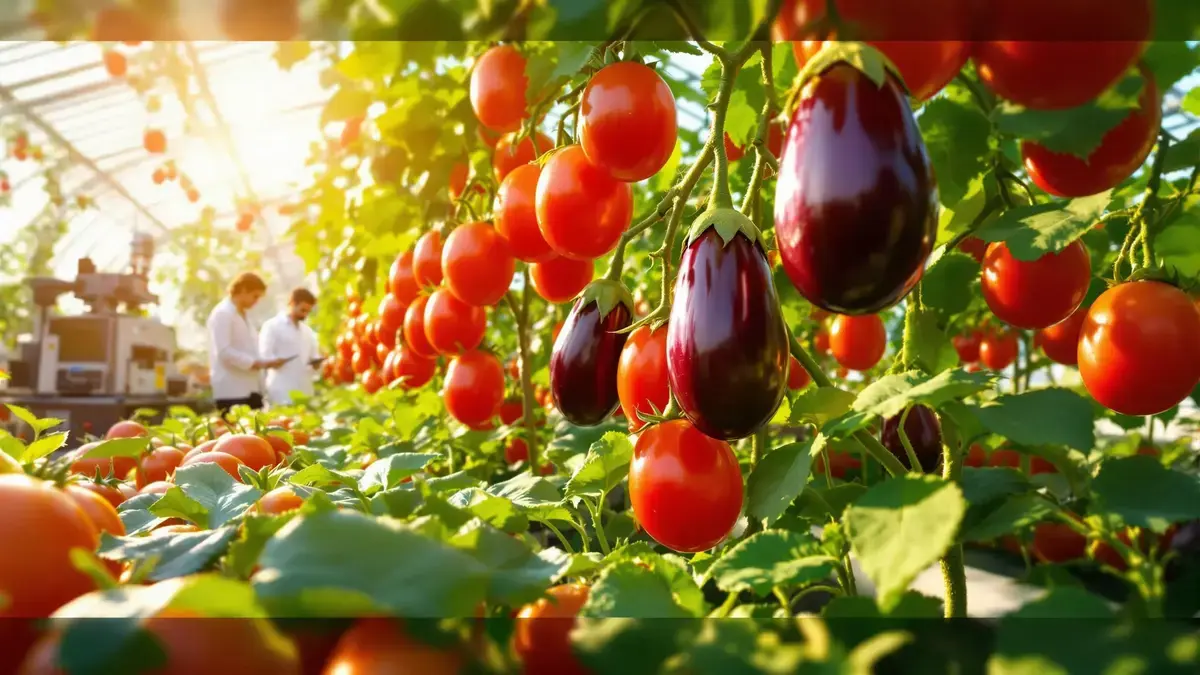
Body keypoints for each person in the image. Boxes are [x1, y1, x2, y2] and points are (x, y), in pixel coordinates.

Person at [205, 272, 288, 415]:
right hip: (231, 391)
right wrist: (255, 363)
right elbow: (224, 352)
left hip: (251, 388)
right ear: (243, 290)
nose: (256, 302)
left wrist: (267, 362)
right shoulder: (223, 313)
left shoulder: (244, 315)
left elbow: (249, 350)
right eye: (255, 296)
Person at [259, 287, 322, 406]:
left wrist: (316, 363)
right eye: (302, 310)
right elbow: (264, 356)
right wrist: (274, 362)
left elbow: (314, 357)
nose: (305, 314)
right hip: (281, 391)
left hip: (305, 391)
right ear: (292, 303)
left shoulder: (308, 332)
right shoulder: (272, 326)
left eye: (308, 311)